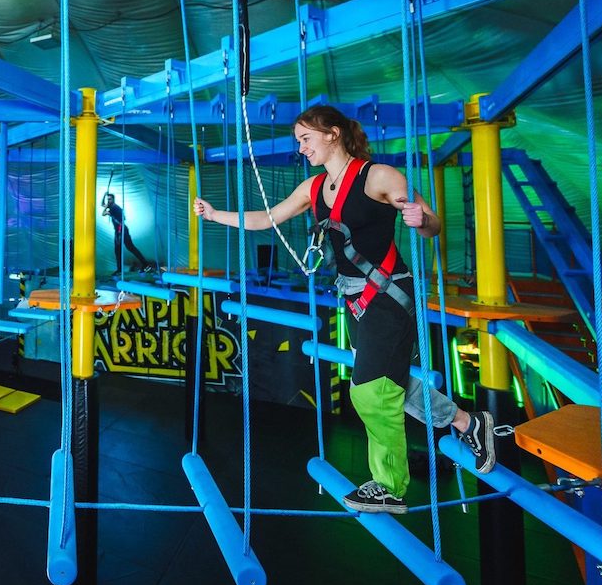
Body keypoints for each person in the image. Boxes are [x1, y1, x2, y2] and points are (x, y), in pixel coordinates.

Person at [193, 105, 495, 514]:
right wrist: (215, 215)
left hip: (388, 296)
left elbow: (432, 225)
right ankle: (467, 422)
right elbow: (266, 219)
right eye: (298, 141)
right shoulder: (313, 188)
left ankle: (390, 485)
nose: (301, 148)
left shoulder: (380, 176)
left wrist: (419, 218)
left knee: (370, 392)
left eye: (306, 139)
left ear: (332, 133)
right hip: (355, 299)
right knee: (394, 385)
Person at [102, 193, 153, 276]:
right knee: (119, 250)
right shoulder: (111, 207)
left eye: (110, 199)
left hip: (122, 231)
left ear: (113, 199)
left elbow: (121, 220)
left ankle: (146, 265)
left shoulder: (115, 208)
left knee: (130, 248)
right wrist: (104, 196)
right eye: (108, 199)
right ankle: (120, 269)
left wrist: (119, 233)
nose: (108, 201)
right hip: (119, 231)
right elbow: (102, 206)